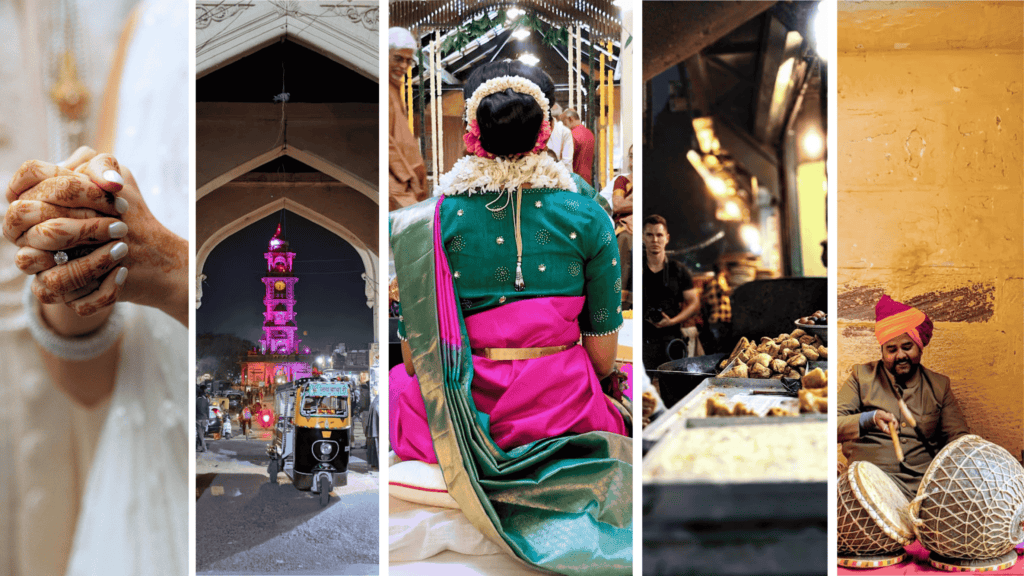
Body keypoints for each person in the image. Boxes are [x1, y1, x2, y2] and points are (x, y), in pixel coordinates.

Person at [389, 60, 631, 574]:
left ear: (470, 131)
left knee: (395, 388)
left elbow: (416, 362)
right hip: (564, 408)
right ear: (547, 131)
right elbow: (603, 355)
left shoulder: (429, 222)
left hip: (463, 407)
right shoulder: (589, 217)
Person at [0, 3, 189, 574]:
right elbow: (85, 383)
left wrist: (172, 268)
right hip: (141, 499)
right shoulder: (152, 21)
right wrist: (73, 269)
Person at [838, 295, 969, 498]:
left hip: (924, 492)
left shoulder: (939, 385)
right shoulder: (861, 376)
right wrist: (869, 419)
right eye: (891, 349)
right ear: (882, 351)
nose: (900, 355)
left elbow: (959, 440)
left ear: (919, 346)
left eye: (907, 347)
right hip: (867, 489)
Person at [642, 215, 700, 367]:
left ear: (666, 238)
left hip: (672, 340)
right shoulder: (635, 268)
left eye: (659, 235)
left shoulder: (678, 270)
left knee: (671, 387)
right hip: (642, 339)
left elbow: (694, 302)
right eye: (650, 235)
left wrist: (673, 321)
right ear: (643, 237)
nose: (655, 240)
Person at [389, 27, 429, 211]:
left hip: (408, 182)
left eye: (408, 61)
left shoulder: (395, 90)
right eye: (398, 58)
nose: (403, 66)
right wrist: (407, 175)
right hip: (397, 184)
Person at [612, 145, 633, 309]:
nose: (633, 160)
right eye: (631, 156)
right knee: (626, 239)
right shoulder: (622, 181)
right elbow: (618, 206)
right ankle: (622, 301)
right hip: (625, 226)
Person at [700, 261, 733, 354]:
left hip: (716, 318)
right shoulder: (719, 280)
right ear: (722, 270)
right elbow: (725, 291)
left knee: (717, 343)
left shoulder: (712, 283)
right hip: (719, 317)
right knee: (720, 345)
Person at [562, 108, 595, 186]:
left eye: (564, 122)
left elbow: (566, 159)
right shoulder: (589, 133)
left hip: (575, 180)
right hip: (587, 180)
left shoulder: (572, 135)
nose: (564, 126)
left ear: (570, 119)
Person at [546, 103, 574, 172]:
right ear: (560, 115)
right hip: (560, 175)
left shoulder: (538, 128)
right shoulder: (565, 132)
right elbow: (567, 161)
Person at [197, 387, 211, 452]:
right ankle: (198, 446)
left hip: (198, 419)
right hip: (205, 419)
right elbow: (208, 410)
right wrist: (208, 418)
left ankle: (204, 447)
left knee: (200, 434)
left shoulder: (196, 401)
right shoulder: (206, 400)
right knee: (201, 433)